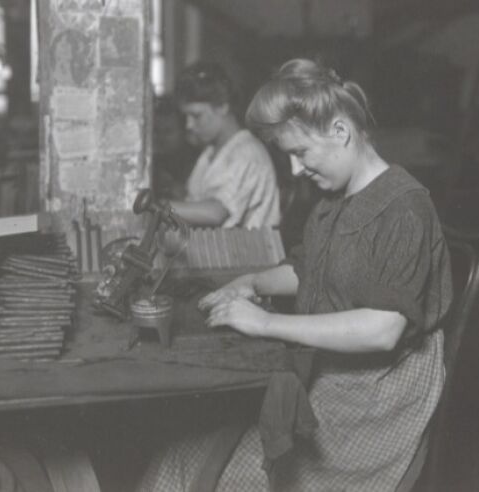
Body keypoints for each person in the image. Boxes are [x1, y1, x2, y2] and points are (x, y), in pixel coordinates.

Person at [138, 59, 452, 491]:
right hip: (329, 380)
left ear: (340, 132)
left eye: (299, 153)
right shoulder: (333, 199)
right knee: (179, 456)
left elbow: (382, 329)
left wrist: (265, 321)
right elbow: (309, 269)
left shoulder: (404, 208)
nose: (294, 170)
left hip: (373, 403)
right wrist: (251, 283)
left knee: (206, 472)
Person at [166, 62, 280, 229]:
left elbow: (215, 213)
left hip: (251, 251)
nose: (189, 125)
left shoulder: (246, 153)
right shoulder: (211, 151)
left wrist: (160, 207)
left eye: (196, 116)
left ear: (223, 107)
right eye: (186, 117)